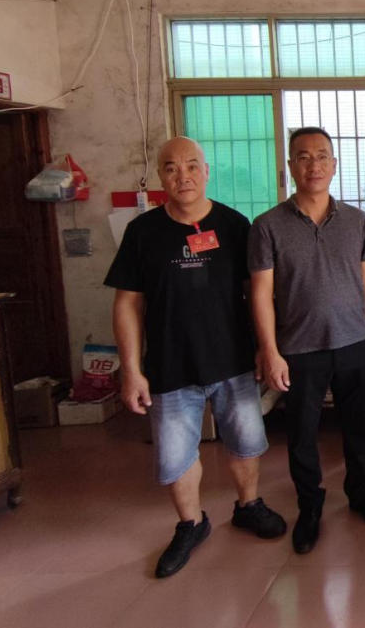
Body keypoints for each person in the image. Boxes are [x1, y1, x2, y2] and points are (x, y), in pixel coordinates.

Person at [106, 137, 286, 579]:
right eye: (171, 167)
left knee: (245, 442)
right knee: (175, 456)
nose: (182, 175)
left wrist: (265, 347)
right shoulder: (142, 232)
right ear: (161, 176)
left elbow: (256, 294)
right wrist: (131, 371)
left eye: (191, 166)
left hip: (232, 359)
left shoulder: (234, 225)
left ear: (206, 172)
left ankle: (248, 505)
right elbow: (127, 304)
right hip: (170, 365)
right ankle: (191, 524)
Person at [249, 127, 365, 556]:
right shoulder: (267, 226)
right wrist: (270, 351)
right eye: (304, 157)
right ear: (291, 166)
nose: (314, 165)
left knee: (358, 428)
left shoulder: (356, 220)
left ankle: (362, 495)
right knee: (302, 435)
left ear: (334, 164)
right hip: (299, 348)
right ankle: (309, 507)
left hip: (353, 341)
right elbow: (260, 293)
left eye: (322, 156)